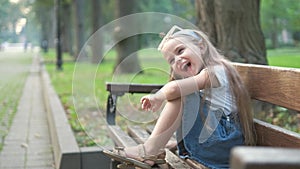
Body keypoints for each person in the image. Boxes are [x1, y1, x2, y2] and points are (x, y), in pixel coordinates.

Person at [104, 25, 256, 169]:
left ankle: (149, 150)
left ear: (201, 46)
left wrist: (158, 96)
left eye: (180, 50)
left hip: (223, 145)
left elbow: (175, 89)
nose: (177, 59)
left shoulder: (216, 72)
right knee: (183, 93)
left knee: (182, 93)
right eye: (171, 60)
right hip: (219, 144)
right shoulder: (209, 75)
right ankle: (154, 148)